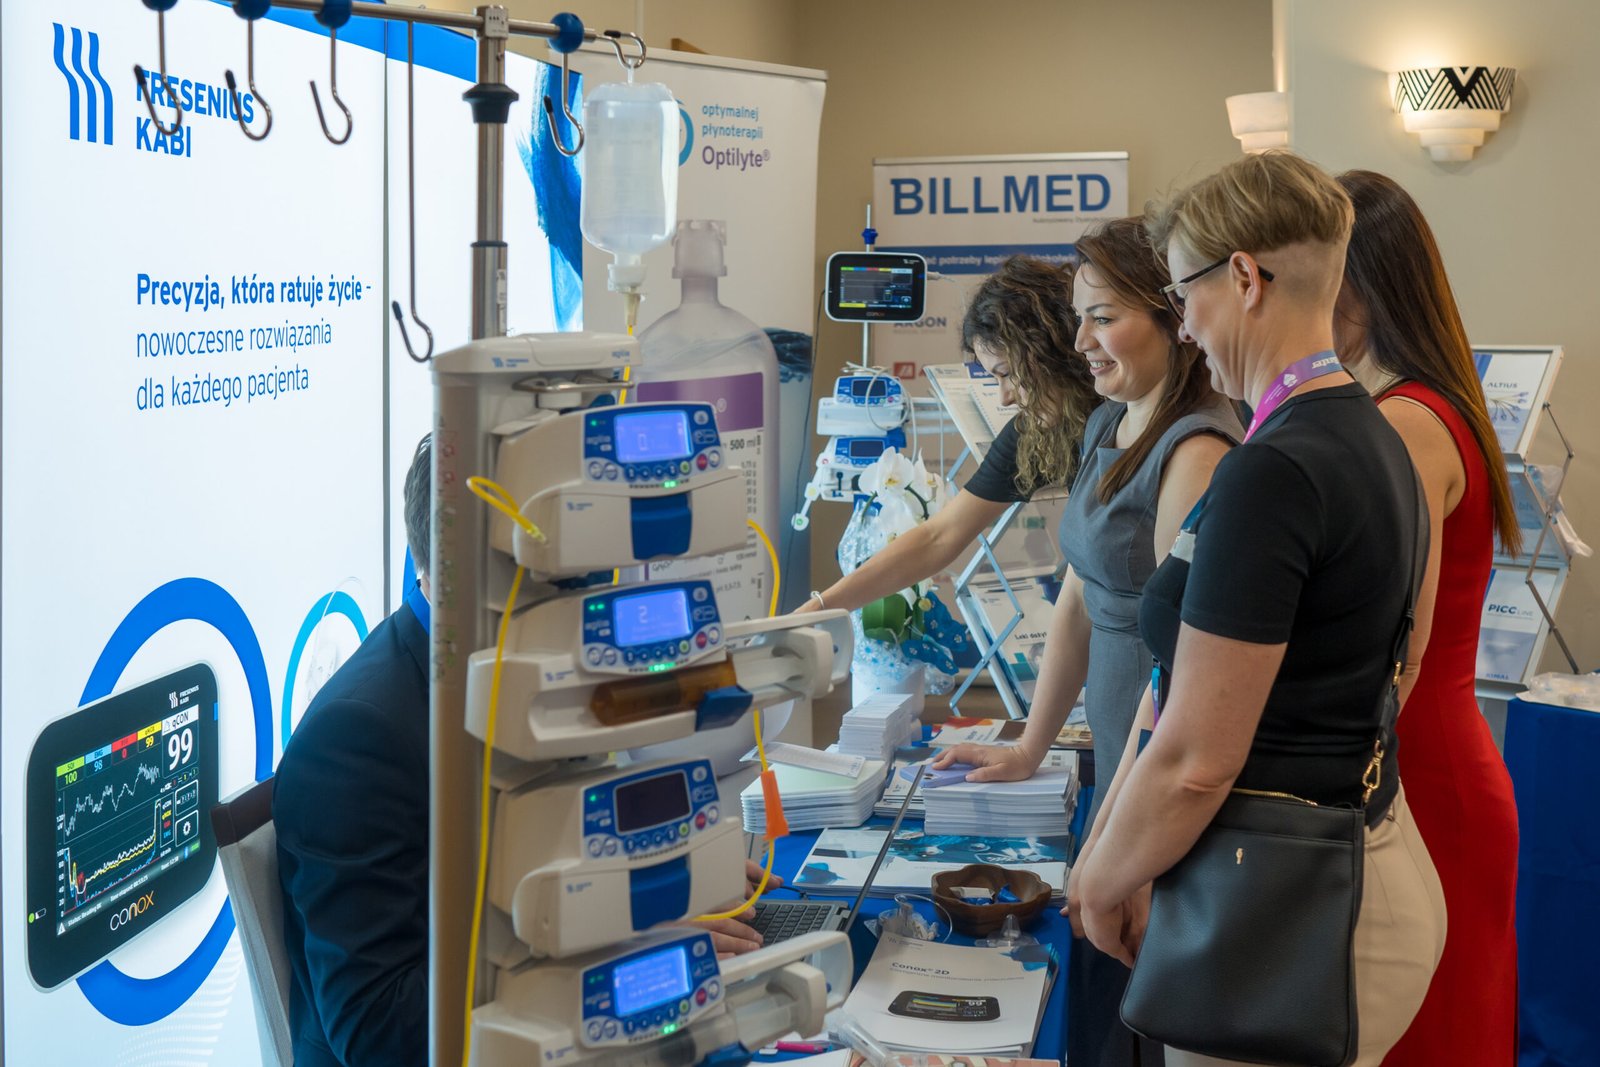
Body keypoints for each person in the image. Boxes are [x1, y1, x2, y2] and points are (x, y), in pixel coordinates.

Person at [1071, 151, 1447, 1067]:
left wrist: (1100, 879)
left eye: (1183, 294)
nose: (1184, 325)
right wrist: (1117, 838)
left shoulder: (1274, 471)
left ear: (1243, 277)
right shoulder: (1365, 430)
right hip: (1339, 868)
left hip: (1295, 904)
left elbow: (1197, 759)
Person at [275, 434, 774, 1067]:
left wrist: (671, 876)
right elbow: (380, 1029)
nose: (584, 585)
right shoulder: (357, 739)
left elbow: (549, 853)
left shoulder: (522, 673)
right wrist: (623, 939)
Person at [936, 216, 1242, 1067]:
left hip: (1160, 784)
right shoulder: (1108, 423)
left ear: (1172, 316)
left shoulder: (1197, 451)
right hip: (1116, 768)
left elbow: (1188, 676)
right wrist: (1030, 746)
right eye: (1078, 319)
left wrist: (1126, 841)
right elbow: (1080, 594)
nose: (1080, 342)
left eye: (1102, 318)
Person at [1333, 169, 1519, 1066]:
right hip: (1429, 755)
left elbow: (1389, 646)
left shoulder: (1406, 420)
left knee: (1430, 1035)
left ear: (1362, 291)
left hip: (1421, 771)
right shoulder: (1418, 407)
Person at [796, 255, 1098, 616]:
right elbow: (938, 537)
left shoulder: (1124, 421)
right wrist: (819, 607)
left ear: (1049, 349)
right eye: (995, 378)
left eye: (1007, 373)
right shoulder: (1037, 433)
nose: (1005, 397)